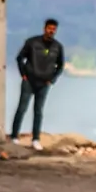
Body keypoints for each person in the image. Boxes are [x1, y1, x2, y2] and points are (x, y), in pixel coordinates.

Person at [10, 18, 65, 151]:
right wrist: (23, 74)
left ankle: (35, 139)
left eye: (53, 29)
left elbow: (60, 65)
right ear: (44, 28)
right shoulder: (32, 42)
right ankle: (14, 136)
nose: (51, 31)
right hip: (29, 80)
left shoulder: (57, 47)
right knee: (22, 108)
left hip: (44, 83)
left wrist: (52, 79)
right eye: (49, 28)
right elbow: (20, 58)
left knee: (38, 111)